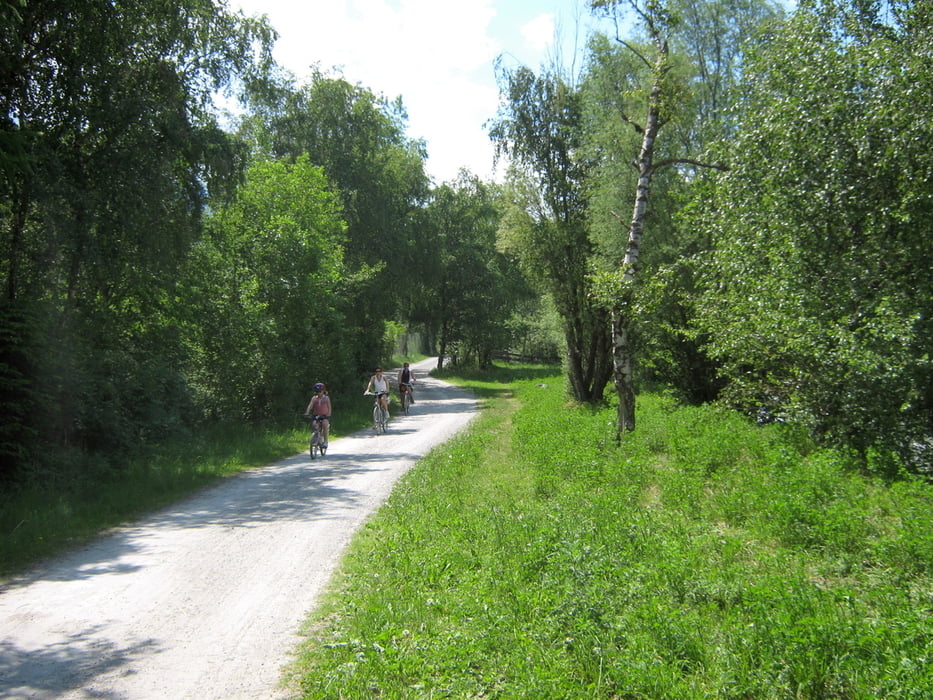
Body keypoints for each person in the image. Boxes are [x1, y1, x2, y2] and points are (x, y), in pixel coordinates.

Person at [304, 382, 331, 447]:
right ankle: (315, 438)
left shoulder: (326, 398)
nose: (318, 393)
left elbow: (329, 407)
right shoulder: (314, 398)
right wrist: (307, 412)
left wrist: (328, 414)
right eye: (317, 392)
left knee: (324, 424)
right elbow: (310, 405)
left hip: (324, 416)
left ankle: (325, 441)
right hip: (316, 415)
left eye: (320, 391)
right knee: (314, 425)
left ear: (323, 391)